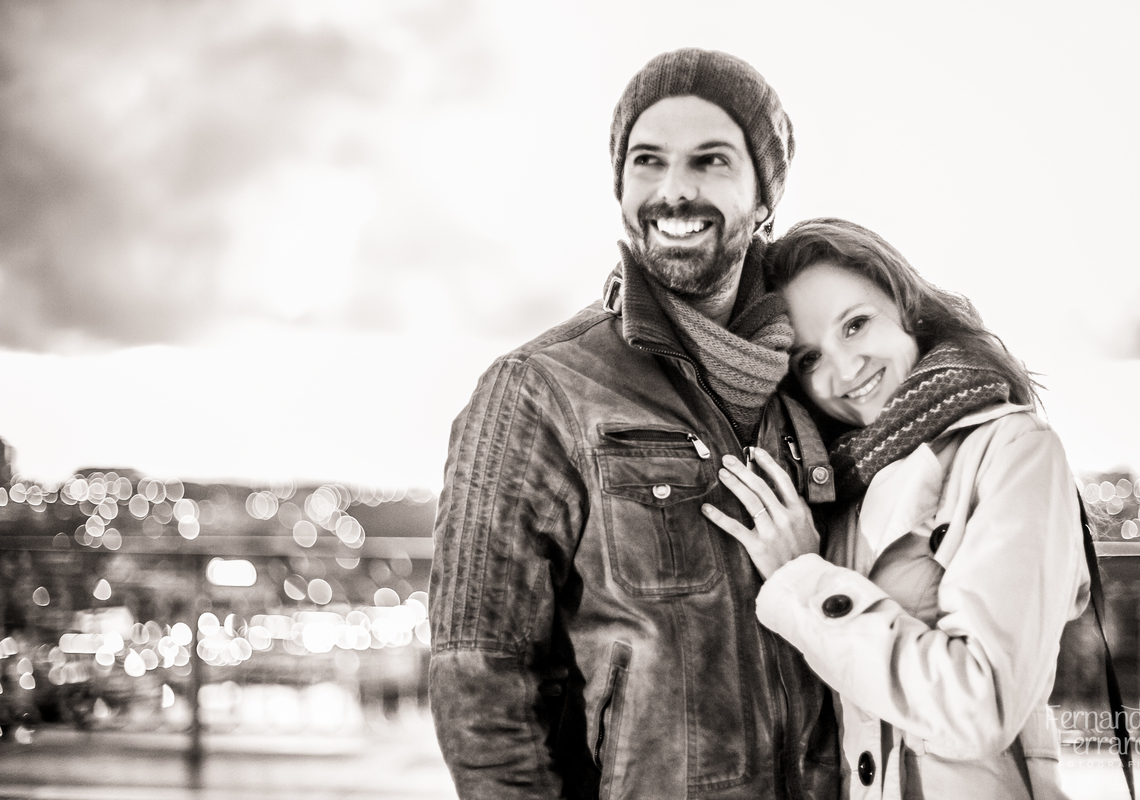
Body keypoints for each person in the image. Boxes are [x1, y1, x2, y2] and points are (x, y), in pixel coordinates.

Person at [428, 50, 843, 800]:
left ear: (765, 198)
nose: (674, 190)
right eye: (647, 162)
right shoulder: (540, 390)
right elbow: (480, 679)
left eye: (710, 161)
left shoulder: (816, 386)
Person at [704, 217, 1092, 799]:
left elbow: (977, 708)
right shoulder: (838, 484)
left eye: (856, 325)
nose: (845, 370)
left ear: (907, 308)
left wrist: (804, 580)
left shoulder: (1012, 451)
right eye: (809, 359)